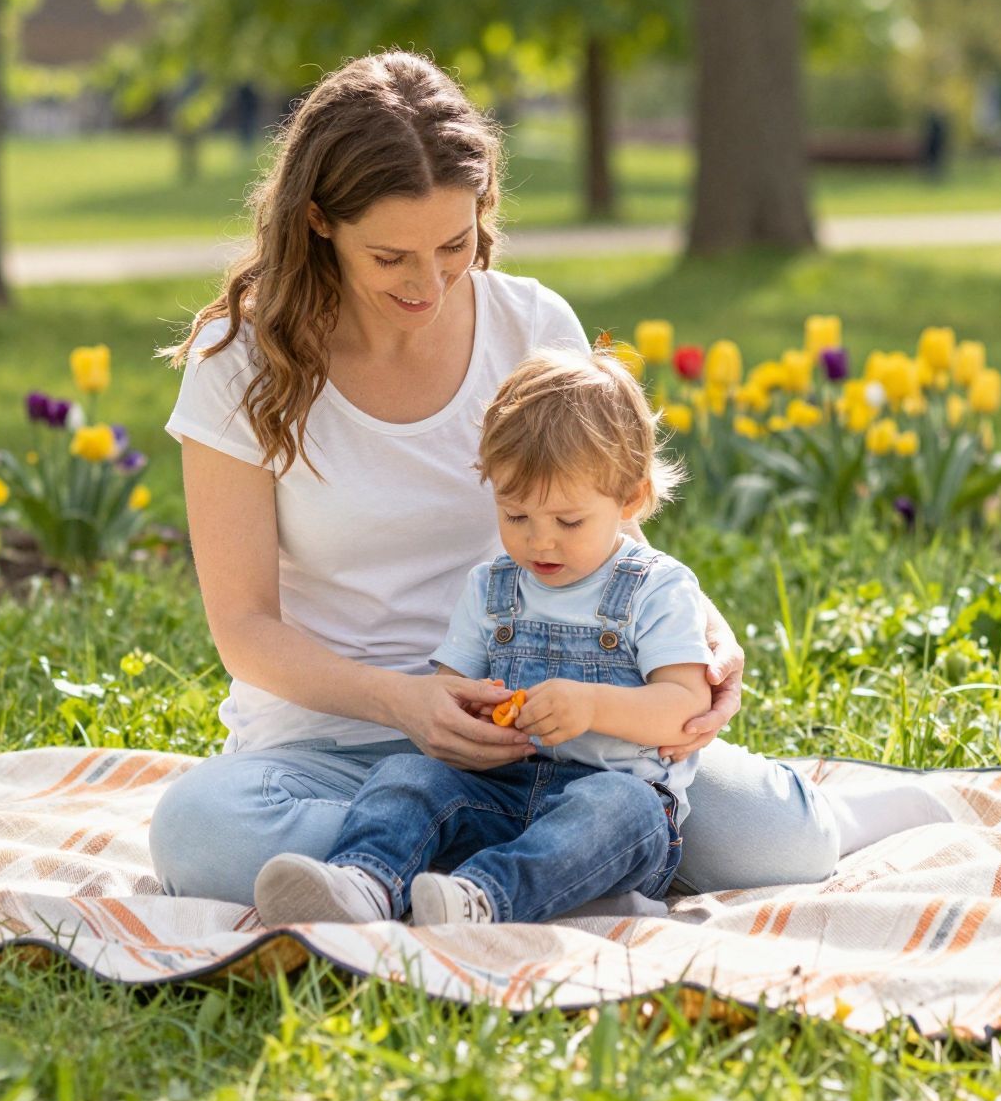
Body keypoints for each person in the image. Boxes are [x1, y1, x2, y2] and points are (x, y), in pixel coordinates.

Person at [147, 49, 841, 907]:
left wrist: (700, 628)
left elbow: (605, 530)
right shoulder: (239, 365)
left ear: (484, 208)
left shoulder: (533, 323)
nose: (430, 283)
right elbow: (245, 627)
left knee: (779, 841)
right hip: (333, 743)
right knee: (199, 833)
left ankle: (415, 871)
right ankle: (542, 866)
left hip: (560, 726)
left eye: (454, 244)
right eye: (391, 257)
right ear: (320, 221)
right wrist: (405, 704)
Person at [254, 349, 711, 926]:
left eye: (568, 522)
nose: (540, 543)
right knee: (408, 776)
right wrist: (472, 712)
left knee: (617, 809)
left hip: (614, 798)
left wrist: (590, 704)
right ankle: (364, 882)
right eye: (515, 516)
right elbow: (451, 690)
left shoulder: (655, 587)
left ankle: (482, 898)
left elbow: (685, 710)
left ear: (631, 500)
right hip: (499, 790)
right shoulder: (493, 588)